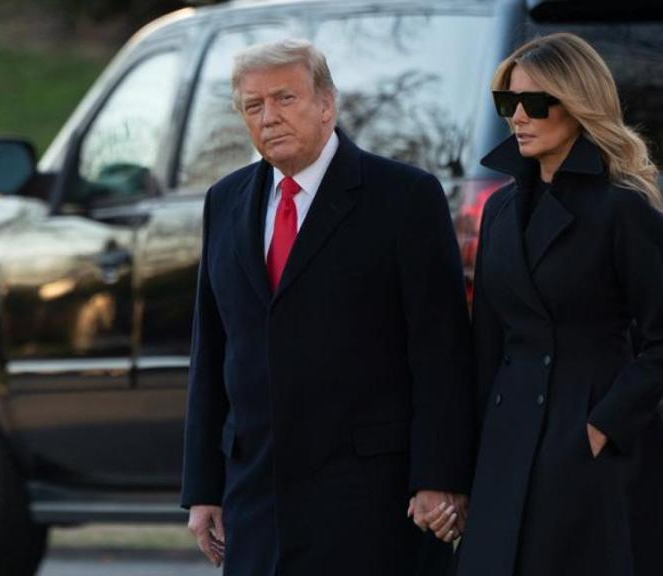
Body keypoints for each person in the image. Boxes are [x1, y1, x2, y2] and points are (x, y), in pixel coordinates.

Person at [180, 38, 474, 576]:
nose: (269, 117)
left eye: (285, 98)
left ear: (326, 104)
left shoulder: (404, 197)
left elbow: (441, 350)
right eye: (253, 105)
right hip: (257, 498)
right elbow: (212, 349)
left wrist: (439, 476)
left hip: (372, 501)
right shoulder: (224, 201)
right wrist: (203, 487)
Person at [452, 32, 663, 576]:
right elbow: (486, 342)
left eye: (534, 102)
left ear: (576, 105)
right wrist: (470, 456)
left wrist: (601, 427)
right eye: (508, 103)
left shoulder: (624, 211)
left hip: (591, 441)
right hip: (509, 443)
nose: (518, 117)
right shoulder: (500, 211)